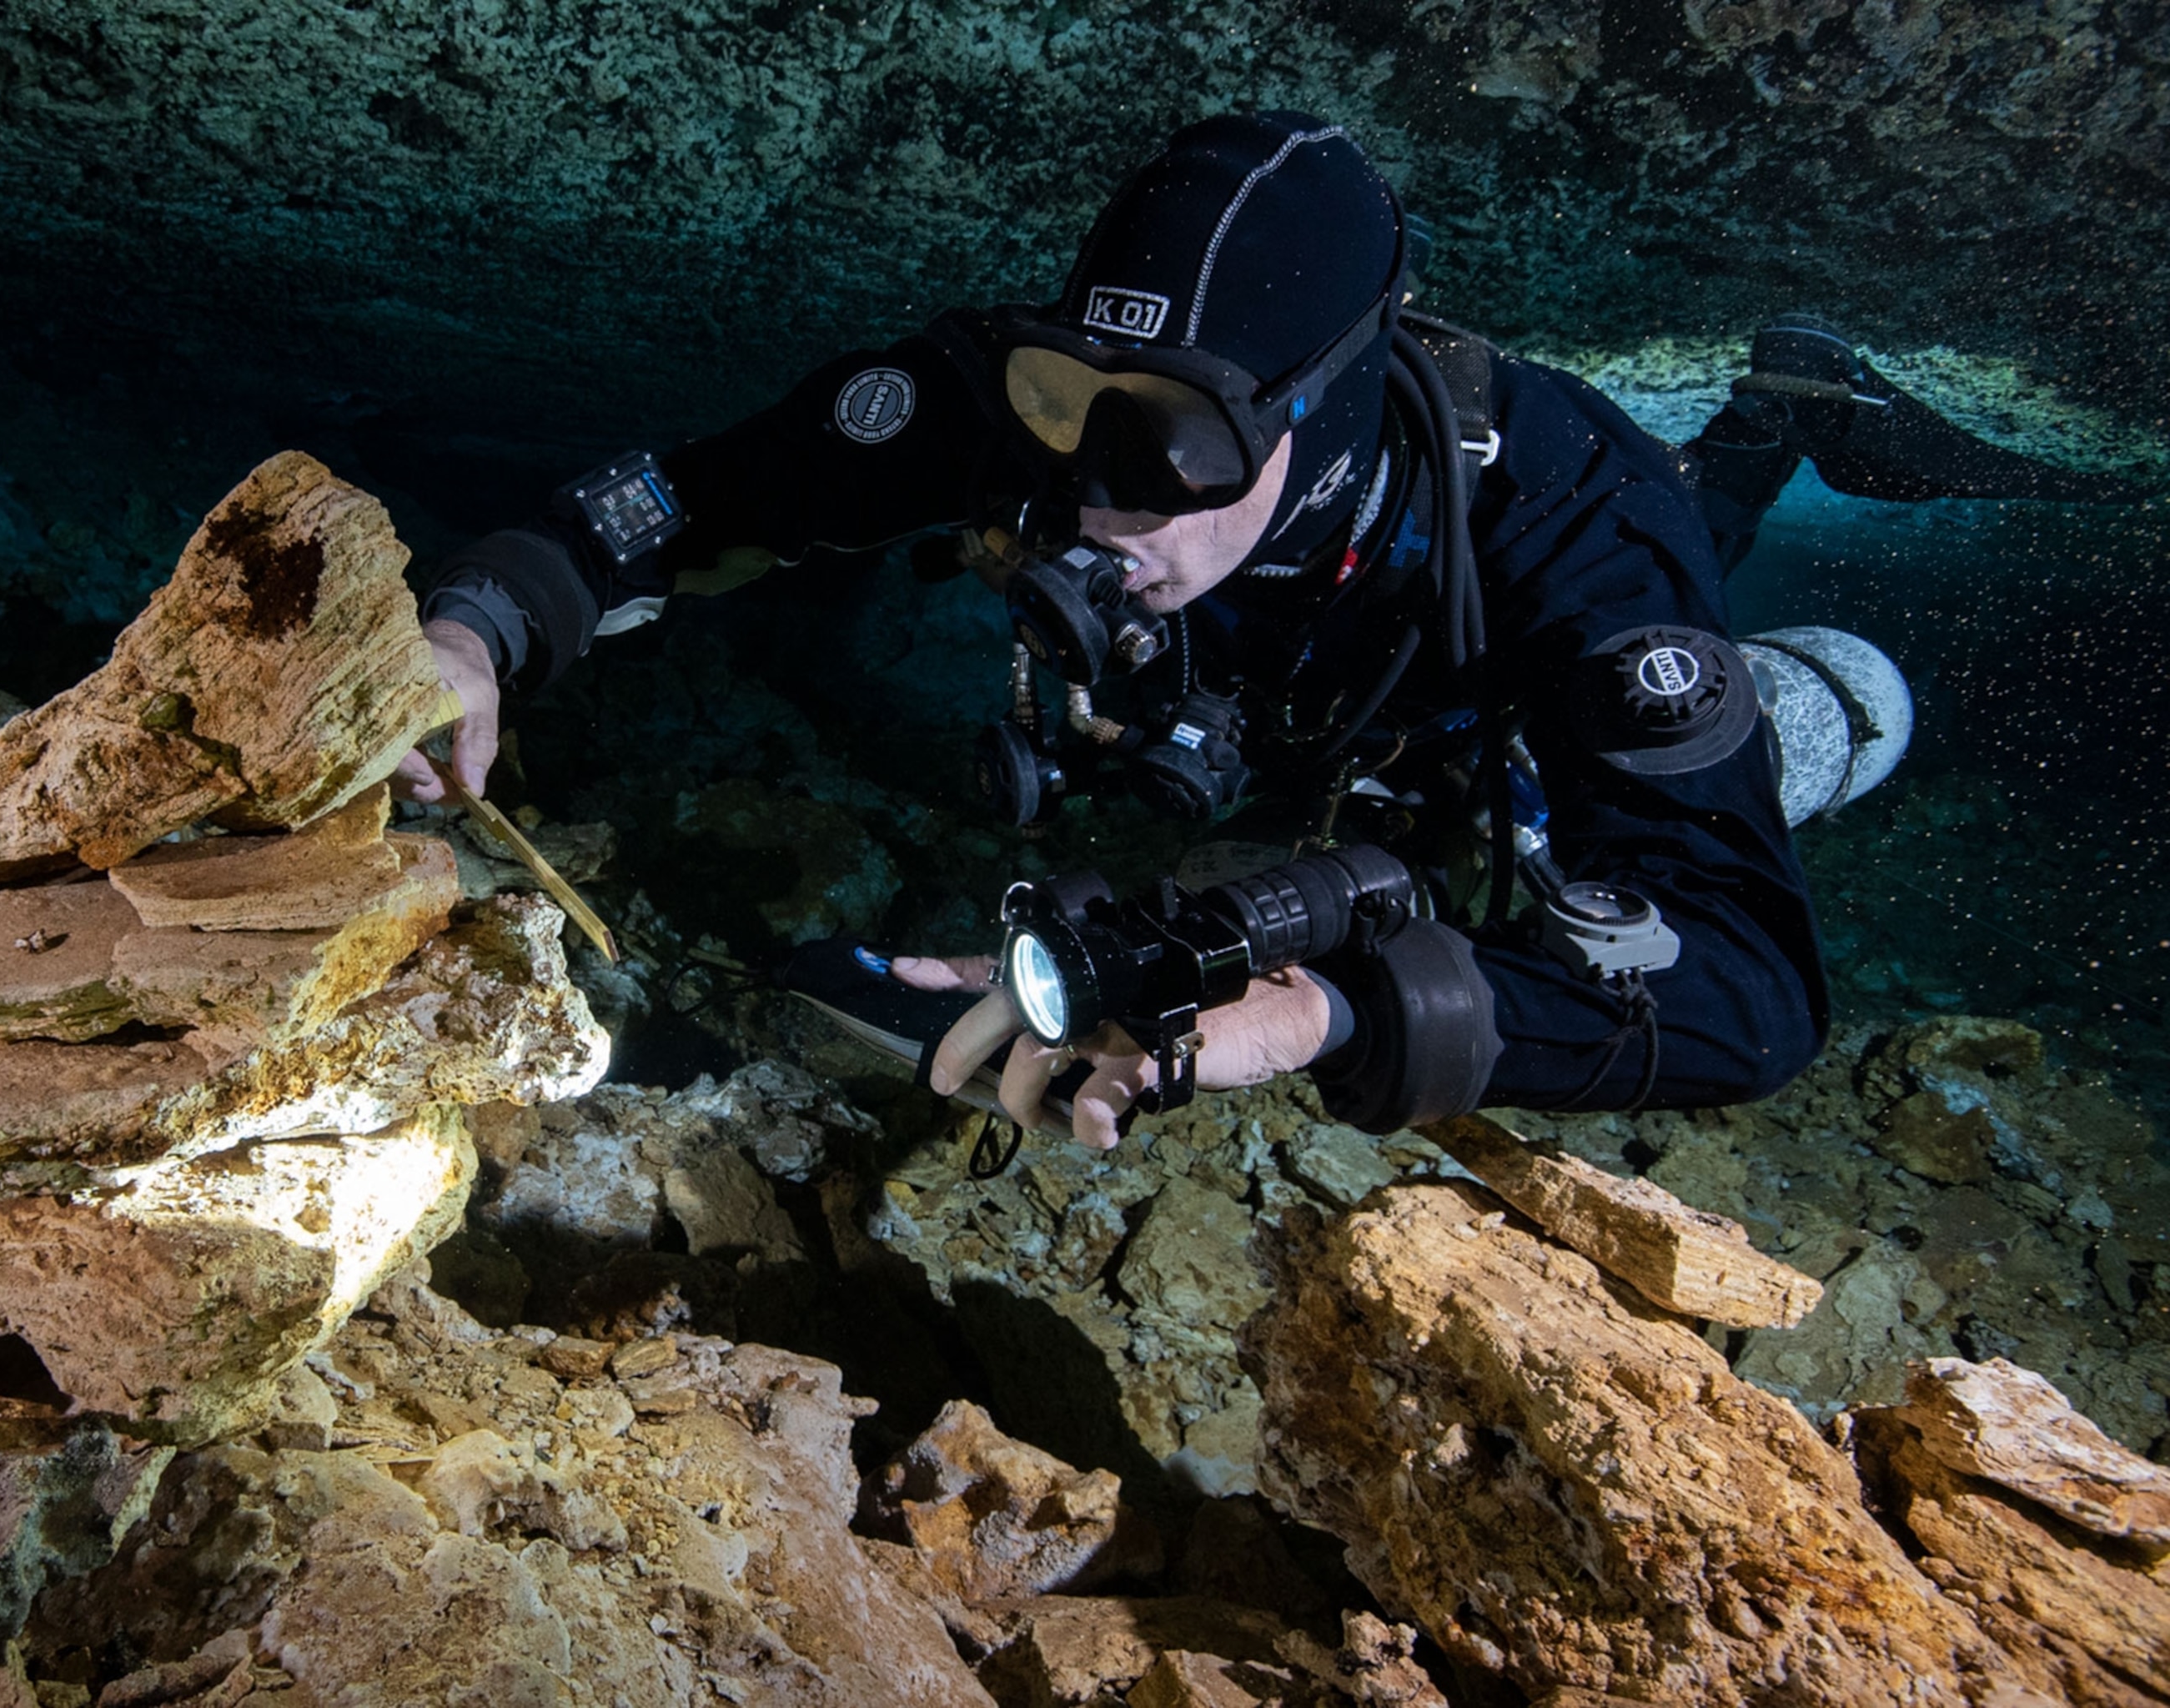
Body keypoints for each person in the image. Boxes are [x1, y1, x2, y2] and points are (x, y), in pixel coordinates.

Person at [396, 113, 2122, 1150]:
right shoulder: (1046, 418)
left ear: (1323, 416)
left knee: (1761, 730)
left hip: (1470, 714)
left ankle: (1765, 427)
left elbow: (1752, 993)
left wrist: (1328, 1017)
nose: (1091, 498)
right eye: (1069, 404)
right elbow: (678, 504)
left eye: (1173, 445)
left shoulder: (1572, 524)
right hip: (1279, 715)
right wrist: (480, 626)